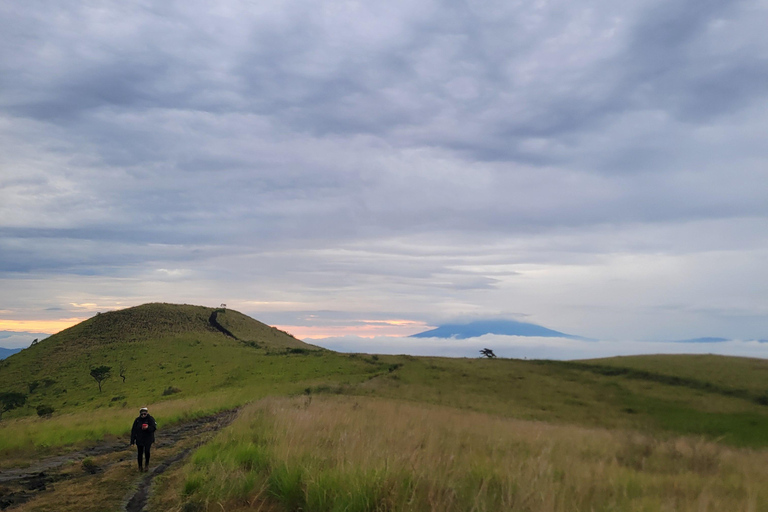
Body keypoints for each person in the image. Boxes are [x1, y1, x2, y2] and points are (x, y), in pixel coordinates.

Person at [130, 407, 157, 472]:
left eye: (144, 414)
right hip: (139, 439)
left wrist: (148, 428)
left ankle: (146, 465)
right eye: (142, 414)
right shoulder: (137, 420)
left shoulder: (150, 419)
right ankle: (140, 467)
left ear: (147, 413)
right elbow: (133, 430)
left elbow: (154, 428)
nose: (143, 416)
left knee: (147, 451)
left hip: (148, 439)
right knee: (140, 453)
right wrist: (132, 441)